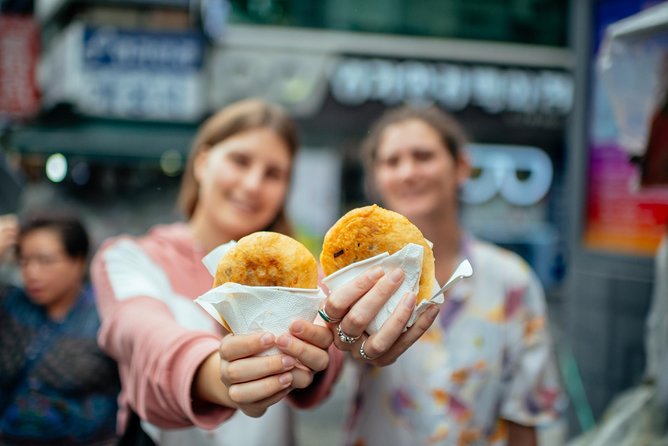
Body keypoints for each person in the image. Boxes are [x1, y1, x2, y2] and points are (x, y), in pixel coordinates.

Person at [90, 98, 438, 446]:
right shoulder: (129, 258)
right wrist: (220, 375)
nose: (253, 184)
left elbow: (329, 351)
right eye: (240, 161)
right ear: (202, 161)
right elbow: (145, 340)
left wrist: (351, 341)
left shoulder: (303, 277)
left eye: (274, 174)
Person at [328, 105, 564, 445]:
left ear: (462, 167)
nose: (408, 172)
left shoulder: (511, 280)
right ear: (376, 178)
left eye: (423, 156)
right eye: (392, 162)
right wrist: (346, 343)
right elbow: (324, 366)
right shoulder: (349, 278)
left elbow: (525, 415)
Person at [0, 212, 120, 445]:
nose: (32, 273)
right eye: (24, 261)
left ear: (78, 261)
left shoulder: (106, 315)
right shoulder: (10, 304)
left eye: (45, 261)